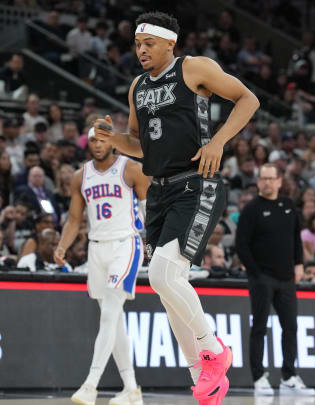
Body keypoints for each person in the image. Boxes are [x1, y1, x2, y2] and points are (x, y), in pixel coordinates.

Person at [93, 11, 259, 404]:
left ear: (169, 43)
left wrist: (218, 141)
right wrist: (113, 139)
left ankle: (214, 352)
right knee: (166, 288)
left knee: (166, 275)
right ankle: (202, 376)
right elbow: (139, 146)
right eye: (137, 44)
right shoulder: (137, 86)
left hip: (196, 182)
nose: (141, 50)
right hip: (160, 192)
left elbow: (248, 99)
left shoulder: (195, 68)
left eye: (148, 43)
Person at [54, 127, 148, 405]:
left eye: (102, 139)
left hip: (126, 244)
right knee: (113, 319)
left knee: (109, 311)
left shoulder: (131, 169)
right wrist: (62, 246)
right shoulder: (80, 176)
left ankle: (90, 385)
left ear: (112, 141)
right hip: (96, 248)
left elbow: (149, 210)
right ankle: (132, 389)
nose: (97, 144)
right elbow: (74, 220)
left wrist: (156, 244)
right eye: (93, 140)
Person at [236, 163, 315, 396]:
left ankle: (289, 376)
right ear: (258, 181)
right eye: (263, 178)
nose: (267, 182)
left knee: (290, 327)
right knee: (259, 326)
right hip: (262, 278)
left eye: (271, 178)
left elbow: (296, 239)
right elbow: (242, 245)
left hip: (287, 278)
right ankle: (259, 377)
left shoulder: (288, 205)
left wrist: (299, 263)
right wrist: (255, 273)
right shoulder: (251, 209)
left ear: (280, 181)